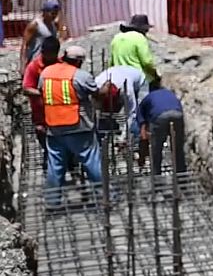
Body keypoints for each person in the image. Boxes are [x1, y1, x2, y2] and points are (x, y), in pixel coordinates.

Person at [40, 45, 108, 209]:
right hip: (79, 126)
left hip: (53, 127)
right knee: (92, 163)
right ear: (78, 61)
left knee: (55, 166)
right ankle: (105, 197)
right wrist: (105, 89)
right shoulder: (80, 76)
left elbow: (40, 92)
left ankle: (52, 202)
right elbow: (97, 94)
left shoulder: (46, 73)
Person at [21, 36, 61, 170]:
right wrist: (45, 93)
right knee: (46, 142)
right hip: (41, 115)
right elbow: (26, 89)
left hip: (60, 115)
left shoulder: (61, 65)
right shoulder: (34, 66)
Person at [136, 85, 185, 176]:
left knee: (156, 149)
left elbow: (142, 127)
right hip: (178, 114)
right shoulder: (170, 94)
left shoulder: (147, 98)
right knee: (178, 148)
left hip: (159, 116)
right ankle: (181, 176)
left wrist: (142, 155)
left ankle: (156, 176)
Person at [95, 64, 149, 145]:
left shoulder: (127, 90)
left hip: (139, 80)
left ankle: (136, 143)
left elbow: (131, 113)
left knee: (140, 114)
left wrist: (124, 135)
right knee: (105, 117)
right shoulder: (96, 84)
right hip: (119, 73)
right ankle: (105, 141)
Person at [110, 14, 160, 86]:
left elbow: (111, 63)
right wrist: (155, 74)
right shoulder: (140, 38)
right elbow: (146, 62)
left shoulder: (116, 38)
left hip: (119, 78)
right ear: (144, 29)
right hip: (138, 79)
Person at [20, 0, 63, 74]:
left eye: (56, 13)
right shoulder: (35, 25)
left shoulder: (54, 25)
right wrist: (23, 65)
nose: (54, 16)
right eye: (52, 13)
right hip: (36, 62)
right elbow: (24, 45)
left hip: (49, 63)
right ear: (45, 12)